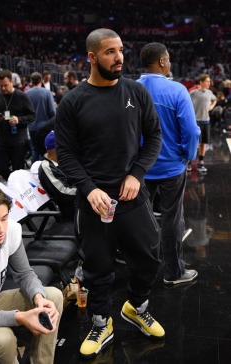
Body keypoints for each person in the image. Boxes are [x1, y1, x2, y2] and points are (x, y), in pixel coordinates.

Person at [55, 28, 165, 359]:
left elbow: (155, 136)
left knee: (149, 257)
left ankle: (137, 306)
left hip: (133, 198)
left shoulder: (136, 92)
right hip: (94, 203)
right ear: (91, 57)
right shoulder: (73, 101)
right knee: (98, 267)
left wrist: (137, 173)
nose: (118, 57)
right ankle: (102, 322)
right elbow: (66, 153)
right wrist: (87, 189)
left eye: (120, 50)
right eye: (109, 52)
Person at [137, 42, 201, 286]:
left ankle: (140, 272)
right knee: (172, 219)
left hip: (140, 170)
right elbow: (191, 131)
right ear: (162, 61)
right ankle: (173, 272)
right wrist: (187, 155)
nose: (170, 63)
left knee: (140, 220)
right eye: (169, 59)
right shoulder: (177, 90)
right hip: (172, 168)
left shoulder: (130, 89)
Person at [0, 185, 63, 363]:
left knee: (52, 297)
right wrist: (19, 317)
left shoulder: (9, 231)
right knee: (4, 339)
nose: (1, 229)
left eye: (4, 218)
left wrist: (38, 297)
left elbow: (25, 273)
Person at [0, 69, 35, 181]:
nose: (3, 88)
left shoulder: (22, 96)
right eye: (0, 86)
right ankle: (12, 182)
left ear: (12, 82)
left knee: (18, 171)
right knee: (0, 167)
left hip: (18, 142)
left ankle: (17, 189)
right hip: (2, 141)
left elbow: (32, 116)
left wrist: (19, 120)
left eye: (5, 85)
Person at [38, 130, 76, 221]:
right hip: (71, 209)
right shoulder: (46, 167)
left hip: (79, 201)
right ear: (57, 149)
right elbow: (64, 193)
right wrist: (87, 190)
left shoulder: (64, 160)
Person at [26, 72, 56, 163]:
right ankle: (43, 173)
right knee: (45, 152)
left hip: (31, 127)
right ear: (41, 80)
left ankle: (33, 173)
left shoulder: (26, 93)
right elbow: (52, 111)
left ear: (31, 81)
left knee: (35, 150)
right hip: (45, 128)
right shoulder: (46, 92)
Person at [189, 73, 217, 173]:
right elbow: (186, 103)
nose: (209, 83)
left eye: (209, 81)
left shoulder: (209, 92)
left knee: (203, 143)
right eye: (207, 81)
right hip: (195, 121)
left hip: (206, 120)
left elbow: (215, 99)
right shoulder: (193, 93)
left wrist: (212, 106)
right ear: (201, 82)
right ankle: (189, 162)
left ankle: (201, 162)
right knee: (194, 143)